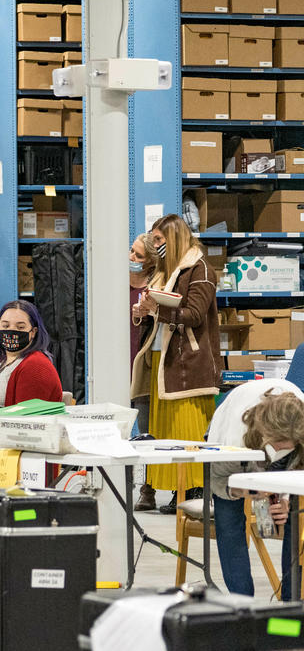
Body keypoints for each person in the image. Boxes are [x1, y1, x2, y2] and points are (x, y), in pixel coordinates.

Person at [131, 213, 221, 514]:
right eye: (154, 240)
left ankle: (191, 488)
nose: (155, 245)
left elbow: (194, 315)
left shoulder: (201, 269)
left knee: (187, 431)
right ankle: (172, 488)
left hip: (188, 364)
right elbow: (157, 313)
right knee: (164, 431)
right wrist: (144, 310)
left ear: (174, 238)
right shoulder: (165, 270)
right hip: (161, 360)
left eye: (159, 240)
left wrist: (159, 309)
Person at [207, 381, 304, 599]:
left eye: (287, 446)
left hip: (285, 439)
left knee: (297, 519)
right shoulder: (234, 437)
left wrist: (286, 499)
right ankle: (243, 604)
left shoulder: (299, 427)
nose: (280, 450)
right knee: (229, 521)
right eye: (278, 445)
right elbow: (215, 478)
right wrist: (242, 491)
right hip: (237, 443)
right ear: (266, 433)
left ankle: (292, 605)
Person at [0, 300, 62, 408]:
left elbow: (25, 419)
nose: (11, 331)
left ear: (33, 332)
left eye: (20, 327)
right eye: (5, 326)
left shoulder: (35, 366)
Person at [130, 232, 160, 511]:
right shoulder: (114, 280)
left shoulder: (156, 285)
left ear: (151, 261)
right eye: (132, 251)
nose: (132, 258)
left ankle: (147, 489)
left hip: (143, 366)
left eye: (139, 256)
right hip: (117, 363)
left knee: (147, 433)